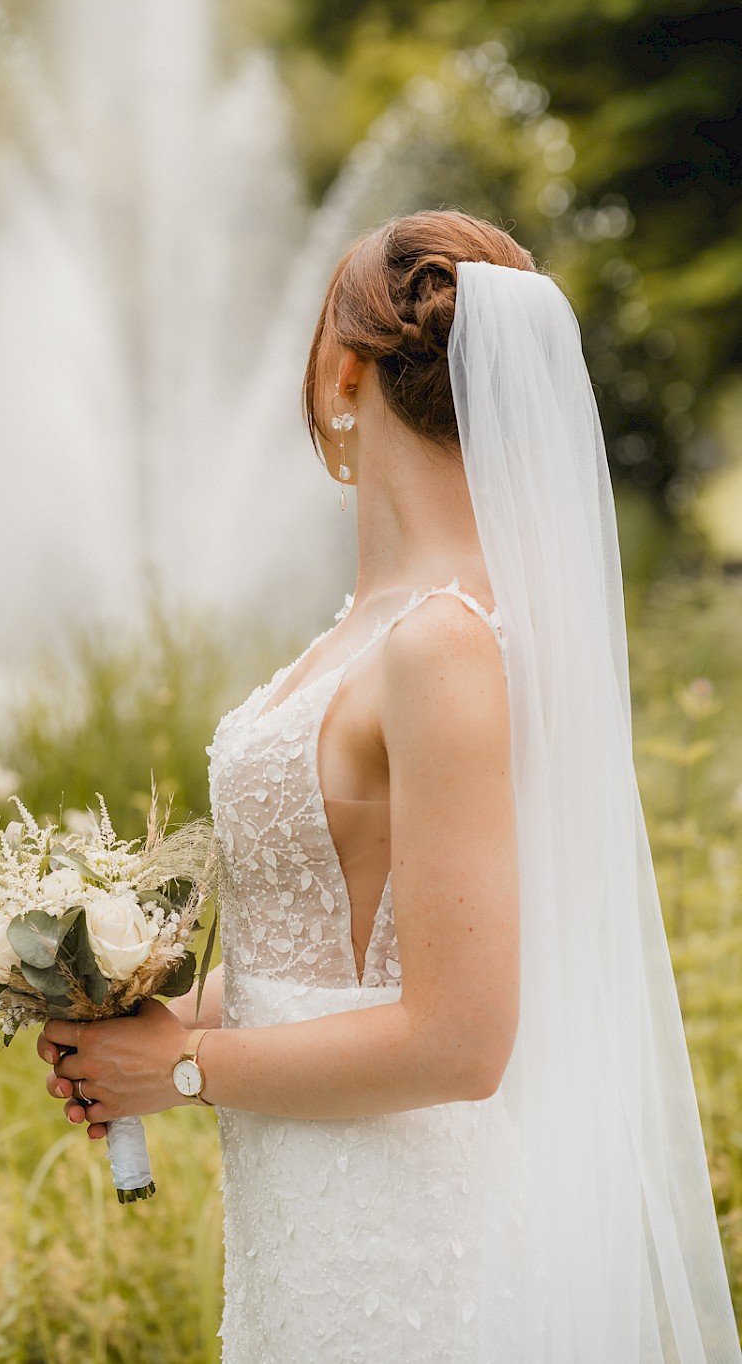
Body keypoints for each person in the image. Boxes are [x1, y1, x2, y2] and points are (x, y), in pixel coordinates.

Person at [37, 210, 741, 1361]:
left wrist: (183, 1068)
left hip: (411, 1251)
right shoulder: (372, 630)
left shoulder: (442, 643)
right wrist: (143, 1020)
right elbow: (333, 966)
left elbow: (460, 1040)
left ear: (341, 373)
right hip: (305, 1231)